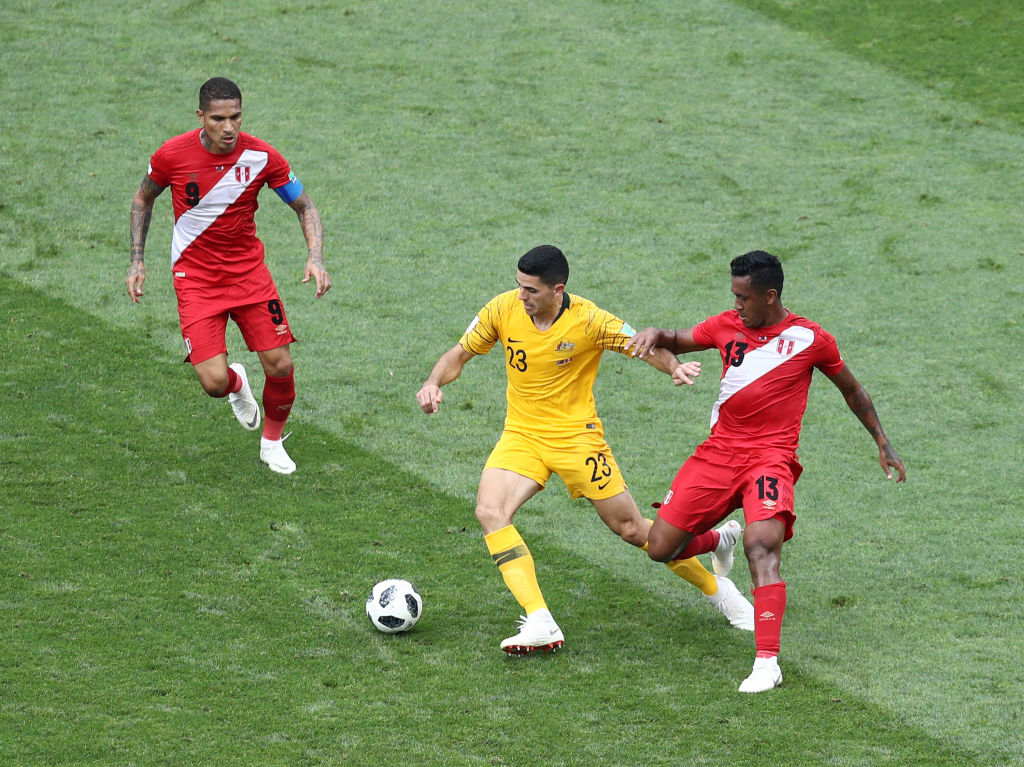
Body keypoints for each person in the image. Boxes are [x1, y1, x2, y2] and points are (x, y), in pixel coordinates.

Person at [416, 245, 754, 655]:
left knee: (632, 529)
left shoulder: (589, 320)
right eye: (519, 286)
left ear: (557, 290)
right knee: (490, 512)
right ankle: (539, 619)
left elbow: (641, 345)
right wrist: (433, 382)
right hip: (522, 436)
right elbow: (460, 353)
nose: (521, 296)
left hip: (578, 440)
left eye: (531, 290)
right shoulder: (502, 308)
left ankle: (720, 588)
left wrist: (674, 367)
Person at [626, 250, 906, 692]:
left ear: (770, 295)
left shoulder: (811, 338)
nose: (736, 305)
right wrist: (655, 333)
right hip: (718, 455)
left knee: (762, 547)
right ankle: (720, 539)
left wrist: (883, 443)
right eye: (734, 295)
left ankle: (766, 663)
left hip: (770, 460)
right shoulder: (724, 325)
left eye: (744, 297)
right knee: (660, 548)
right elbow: (676, 338)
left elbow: (852, 390)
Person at [126, 77, 330, 474]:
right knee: (214, 383)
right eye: (218, 119)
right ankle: (237, 382)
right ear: (200, 117)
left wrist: (315, 257)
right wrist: (137, 260)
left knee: (280, 364)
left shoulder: (262, 156)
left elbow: (304, 206)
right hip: (196, 280)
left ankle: (272, 442)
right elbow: (143, 198)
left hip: (249, 275)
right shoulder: (172, 155)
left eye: (235, 117)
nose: (229, 127)